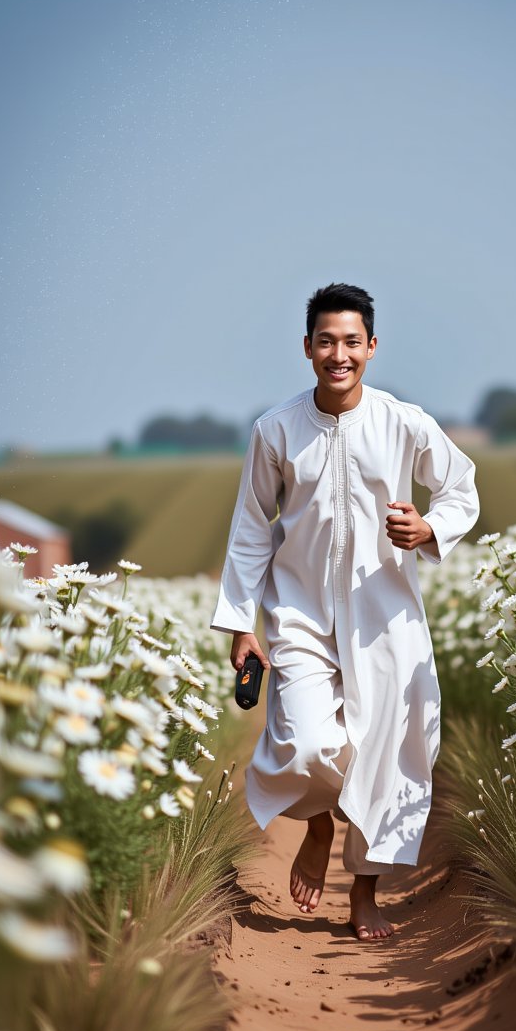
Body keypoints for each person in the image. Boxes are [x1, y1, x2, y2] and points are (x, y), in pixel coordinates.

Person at [210, 283, 479, 940]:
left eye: (351, 342)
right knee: (304, 743)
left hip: (386, 618)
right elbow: (251, 528)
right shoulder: (275, 430)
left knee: (387, 754)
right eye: (326, 341)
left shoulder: (403, 422)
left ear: (372, 347)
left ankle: (364, 895)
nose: (339, 354)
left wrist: (430, 528)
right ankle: (319, 822)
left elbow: (460, 487)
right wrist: (242, 622)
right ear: (307, 348)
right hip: (298, 614)